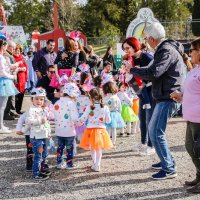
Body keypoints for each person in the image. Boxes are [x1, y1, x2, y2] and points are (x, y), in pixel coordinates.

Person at [125, 22, 184, 180]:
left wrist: (132, 69)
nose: (146, 42)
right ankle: (167, 161)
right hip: (165, 95)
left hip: (167, 97)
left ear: (151, 38)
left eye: (146, 38)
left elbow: (154, 72)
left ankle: (169, 167)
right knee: (156, 131)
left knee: (155, 132)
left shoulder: (165, 50)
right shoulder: (166, 49)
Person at [170, 37, 200, 193]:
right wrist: (180, 94)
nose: (190, 53)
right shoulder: (195, 69)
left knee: (197, 149)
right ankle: (199, 176)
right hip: (191, 117)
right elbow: (191, 91)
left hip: (199, 118)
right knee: (190, 147)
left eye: (192, 50)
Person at [122, 37, 154, 156]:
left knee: (150, 119)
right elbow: (133, 76)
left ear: (135, 45)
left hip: (151, 92)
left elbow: (153, 74)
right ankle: (143, 142)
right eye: (124, 48)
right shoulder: (132, 59)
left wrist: (135, 71)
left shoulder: (147, 57)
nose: (126, 50)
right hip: (141, 92)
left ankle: (151, 145)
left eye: (128, 48)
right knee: (142, 117)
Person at [79, 88, 113, 172]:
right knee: (99, 149)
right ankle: (98, 165)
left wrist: (77, 121)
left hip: (90, 130)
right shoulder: (105, 107)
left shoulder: (89, 107)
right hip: (101, 131)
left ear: (90, 98)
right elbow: (108, 120)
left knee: (93, 148)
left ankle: (94, 163)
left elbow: (83, 118)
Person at [23, 87, 51, 180]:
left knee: (44, 154)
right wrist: (40, 121)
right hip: (36, 137)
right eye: (36, 99)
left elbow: (47, 122)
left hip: (43, 135)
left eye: (41, 99)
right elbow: (28, 121)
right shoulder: (31, 110)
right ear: (32, 99)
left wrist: (48, 132)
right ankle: (36, 173)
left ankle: (41, 169)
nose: (39, 101)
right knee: (38, 156)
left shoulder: (42, 109)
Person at [53, 82, 80, 169]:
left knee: (60, 147)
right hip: (69, 130)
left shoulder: (57, 102)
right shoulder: (71, 103)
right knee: (69, 148)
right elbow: (74, 117)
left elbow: (54, 115)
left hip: (59, 129)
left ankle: (59, 163)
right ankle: (69, 164)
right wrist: (79, 122)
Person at [0, 36, 19, 133]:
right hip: (3, 81)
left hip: (4, 81)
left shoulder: (2, 56)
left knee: (2, 105)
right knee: (2, 105)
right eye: (6, 45)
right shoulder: (0, 57)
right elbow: (2, 72)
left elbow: (6, 68)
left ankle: (1, 125)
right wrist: (12, 77)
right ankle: (1, 126)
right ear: (3, 46)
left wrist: (15, 66)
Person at [103, 81, 125, 146]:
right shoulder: (116, 97)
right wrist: (119, 113)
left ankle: (108, 141)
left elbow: (103, 107)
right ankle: (113, 142)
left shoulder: (105, 98)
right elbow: (119, 107)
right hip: (115, 114)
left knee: (108, 128)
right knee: (114, 129)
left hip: (107, 114)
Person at [3, 40, 18, 120]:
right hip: (8, 78)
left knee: (9, 97)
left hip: (8, 78)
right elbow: (9, 68)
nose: (14, 50)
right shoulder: (7, 55)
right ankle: (6, 114)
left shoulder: (8, 55)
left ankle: (9, 112)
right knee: (8, 98)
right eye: (14, 48)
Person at [14, 44, 28, 114]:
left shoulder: (22, 58)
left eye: (18, 51)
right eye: (16, 51)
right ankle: (15, 109)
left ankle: (19, 109)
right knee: (15, 96)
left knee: (21, 95)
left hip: (22, 80)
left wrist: (26, 78)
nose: (17, 52)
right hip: (16, 80)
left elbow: (26, 68)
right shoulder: (12, 58)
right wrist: (20, 69)